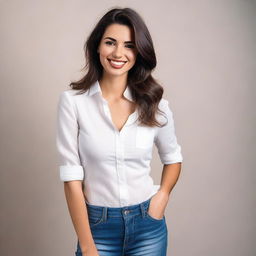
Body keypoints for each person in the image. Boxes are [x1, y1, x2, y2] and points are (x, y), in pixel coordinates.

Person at [56, 7, 183, 256]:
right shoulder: (73, 103)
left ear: (139, 52)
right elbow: (72, 179)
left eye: (129, 45)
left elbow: (173, 158)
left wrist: (162, 196)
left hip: (148, 226)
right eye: (110, 43)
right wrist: (87, 245)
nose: (118, 53)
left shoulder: (155, 103)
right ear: (97, 47)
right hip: (97, 228)